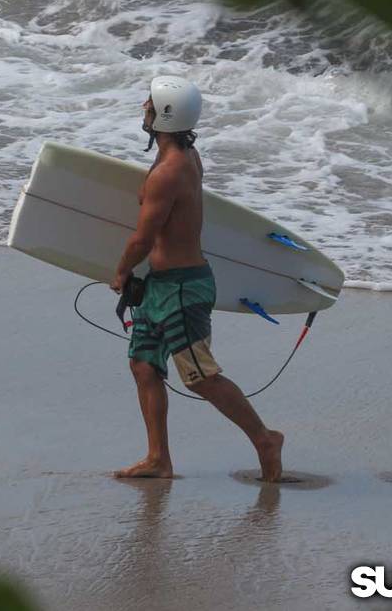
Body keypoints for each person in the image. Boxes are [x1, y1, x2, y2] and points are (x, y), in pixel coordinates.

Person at [109, 76, 284, 482]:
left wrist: (120, 271)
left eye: (149, 104)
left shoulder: (168, 171)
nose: (143, 107)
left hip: (183, 289)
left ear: (164, 115)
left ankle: (265, 439)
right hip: (160, 286)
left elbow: (144, 236)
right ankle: (158, 459)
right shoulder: (185, 153)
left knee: (200, 376)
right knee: (144, 365)